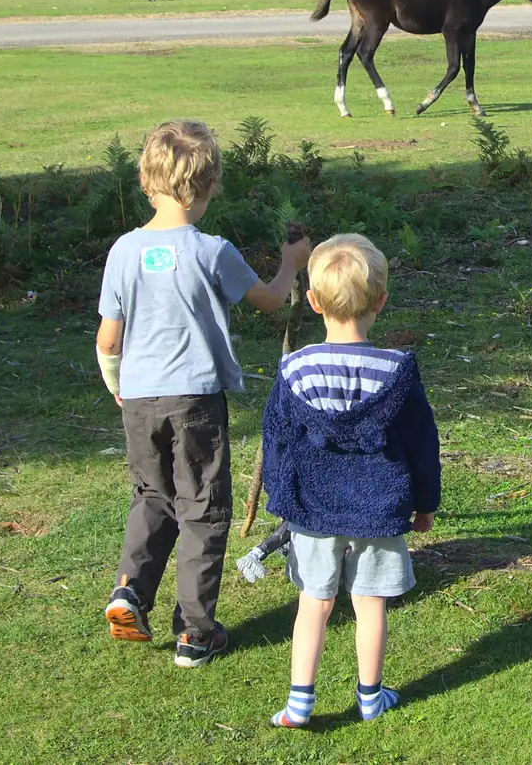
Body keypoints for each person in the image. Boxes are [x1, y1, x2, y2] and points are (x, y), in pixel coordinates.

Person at [95, 119, 311, 667]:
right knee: (204, 509)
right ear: (210, 185)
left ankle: (129, 591)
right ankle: (195, 632)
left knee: (152, 496)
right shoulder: (211, 251)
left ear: (146, 180)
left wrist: (119, 387)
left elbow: (108, 337)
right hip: (194, 401)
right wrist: (292, 264)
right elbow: (268, 300)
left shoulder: (123, 250)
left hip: (139, 400)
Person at [259, 233, 442, 727]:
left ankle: (299, 700)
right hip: (379, 509)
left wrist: (284, 499)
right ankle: (370, 696)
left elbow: (275, 440)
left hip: (313, 509)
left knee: (313, 604)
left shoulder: (293, 369)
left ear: (314, 301)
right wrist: (425, 505)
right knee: (370, 605)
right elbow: (423, 444)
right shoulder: (398, 371)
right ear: (381, 300)